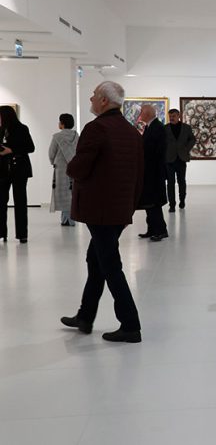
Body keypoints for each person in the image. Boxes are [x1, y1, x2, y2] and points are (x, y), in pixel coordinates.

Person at [60, 81, 144, 343]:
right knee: (96, 260)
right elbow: (139, 174)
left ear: (105, 101)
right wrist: (131, 204)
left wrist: (70, 168)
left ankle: (130, 325)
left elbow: (79, 167)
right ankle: (85, 316)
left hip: (99, 209)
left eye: (94, 95)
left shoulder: (96, 128)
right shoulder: (131, 131)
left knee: (110, 265)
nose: (91, 98)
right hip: (119, 208)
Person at [0, 105, 35, 243]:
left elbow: (30, 147)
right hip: (2, 170)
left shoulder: (22, 128)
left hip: (20, 169)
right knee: (1, 201)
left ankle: (22, 234)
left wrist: (11, 150)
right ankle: (2, 233)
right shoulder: (1, 130)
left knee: (20, 202)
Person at [137, 105, 168, 241]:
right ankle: (152, 229)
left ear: (148, 113)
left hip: (154, 172)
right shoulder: (151, 127)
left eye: (142, 112)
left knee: (154, 203)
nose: (140, 114)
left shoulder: (158, 128)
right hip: (150, 171)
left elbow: (158, 152)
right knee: (149, 202)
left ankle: (160, 231)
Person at [48, 113, 79, 226]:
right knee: (72, 191)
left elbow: (51, 153)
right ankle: (70, 218)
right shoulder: (76, 136)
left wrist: (53, 162)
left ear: (62, 123)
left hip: (61, 168)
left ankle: (66, 219)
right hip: (74, 167)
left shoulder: (57, 137)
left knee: (62, 193)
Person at [164, 108, 196, 213]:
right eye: (170, 116)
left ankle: (182, 201)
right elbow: (162, 142)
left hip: (181, 159)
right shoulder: (165, 128)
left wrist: (186, 149)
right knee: (170, 183)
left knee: (182, 181)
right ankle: (172, 205)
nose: (171, 118)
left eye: (173, 116)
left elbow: (192, 139)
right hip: (169, 160)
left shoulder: (186, 128)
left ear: (178, 116)